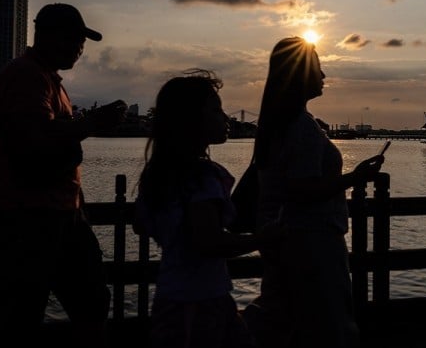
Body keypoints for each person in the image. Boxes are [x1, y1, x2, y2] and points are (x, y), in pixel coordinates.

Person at [0, 3, 127, 347]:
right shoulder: (27, 75)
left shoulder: (48, 80)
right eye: (74, 38)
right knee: (23, 311)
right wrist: (92, 124)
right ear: (47, 36)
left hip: (61, 215)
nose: (80, 47)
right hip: (33, 217)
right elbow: (34, 139)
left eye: (81, 40)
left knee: (88, 300)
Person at [243, 36, 385, 348]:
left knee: (281, 321)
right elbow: (302, 189)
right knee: (329, 326)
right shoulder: (301, 126)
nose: (323, 76)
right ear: (300, 74)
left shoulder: (278, 124)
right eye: (318, 68)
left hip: (283, 239)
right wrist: (355, 177)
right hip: (312, 241)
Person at [132, 69, 282, 348]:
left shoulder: (159, 175)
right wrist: (263, 238)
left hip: (171, 296)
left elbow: (142, 224)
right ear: (191, 121)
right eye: (215, 110)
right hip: (200, 302)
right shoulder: (202, 178)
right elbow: (210, 242)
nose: (225, 119)